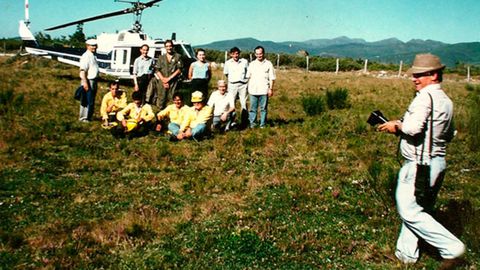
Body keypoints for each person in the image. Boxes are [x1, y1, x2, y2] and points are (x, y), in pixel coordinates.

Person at [378, 53, 465, 269]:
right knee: (420, 208)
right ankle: (406, 255)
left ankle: (452, 248)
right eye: (414, 74)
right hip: (437, 162)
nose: (415, 79)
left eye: (420, 75)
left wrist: (396, 126)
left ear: (434, 75)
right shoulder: (446, 100)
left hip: (419, 165)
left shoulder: (425, 98)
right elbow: (451, 133)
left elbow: (413, 128)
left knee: (409, 210)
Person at [246, 46, 276, 128]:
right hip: (253, 90)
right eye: (257, 54)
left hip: (264, 90)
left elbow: (272, 78)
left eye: (261, 53)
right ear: (255, 54)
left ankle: (262, 125)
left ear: (263, 53)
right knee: (253, 109)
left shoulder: (268, 64)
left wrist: (270, 89)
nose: (259, 55)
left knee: (263, 109)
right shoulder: (251, 64)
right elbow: (248, 76)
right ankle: (252, 124)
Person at [151, 40, 183, 109]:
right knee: (161, 99)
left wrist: (169, 79)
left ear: (173, 46)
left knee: (172, 98)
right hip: (162, 82)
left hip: (173, 81)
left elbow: (179, 69)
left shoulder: (178, 56)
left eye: (170, 46)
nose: (169, 48)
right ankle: (160, 116)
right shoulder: (161, 57)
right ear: (165, 47)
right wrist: (163, 80)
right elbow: (157, 70)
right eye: (167, 46)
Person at [223, 46, 249, 128]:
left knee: (244, 103)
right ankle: (231, 122)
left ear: (239, 54)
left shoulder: (244, 62)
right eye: (233, 54)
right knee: (231, 103)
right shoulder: (227, 63)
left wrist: (245, 81)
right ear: (231, 55)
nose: (236, 55)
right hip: (232, 85)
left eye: (237, 54)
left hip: (243, 85)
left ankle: (244, 122)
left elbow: (248, 73)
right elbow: (226, 74)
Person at [79, 39, 99, 122]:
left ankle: (88, 117)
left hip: (94, 80)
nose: (94, 47)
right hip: (88, 80)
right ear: (87, 46)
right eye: (92, 45)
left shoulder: (93, 55)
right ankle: (83, 118)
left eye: (95, 45)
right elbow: (82, 70)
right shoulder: (86, 56)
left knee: (91, 99)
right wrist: (85, 82)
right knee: (85, 99)